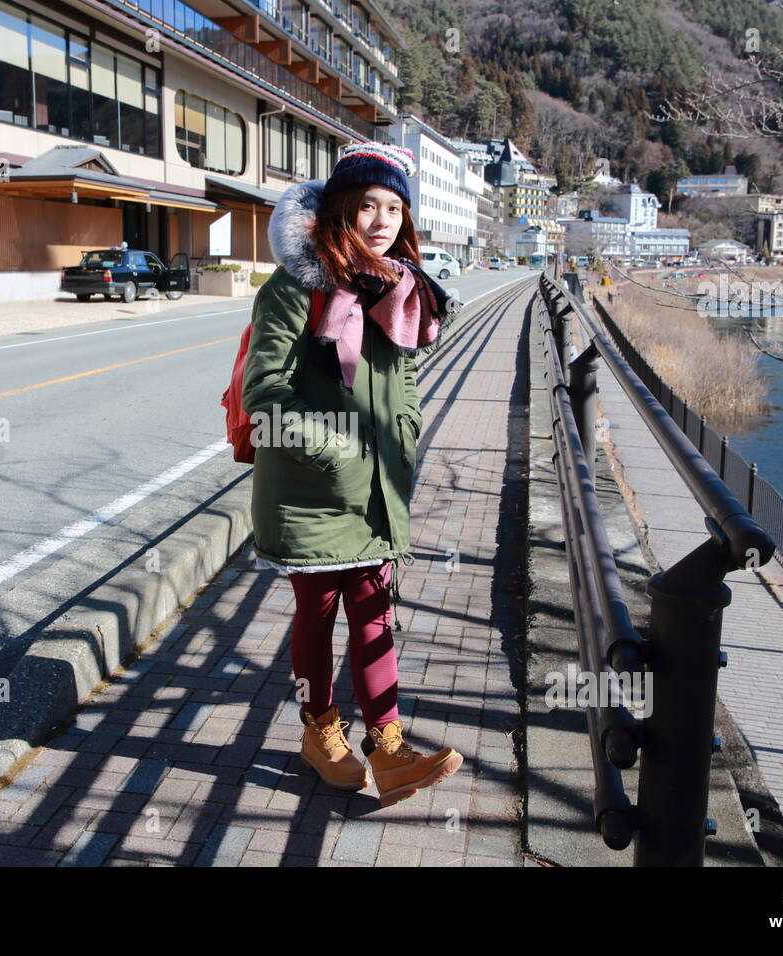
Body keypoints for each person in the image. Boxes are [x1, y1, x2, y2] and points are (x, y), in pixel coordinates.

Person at [241, 142, 464, 808]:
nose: (381, 219)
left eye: (394, 206)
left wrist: (405, 438)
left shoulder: (398, 290)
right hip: (311, 490)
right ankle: (320, 730)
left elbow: (407, 384)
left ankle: (390, 752)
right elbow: (264, 394)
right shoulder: (293, 287)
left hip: (377, 491)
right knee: (318, 614)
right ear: (340, 207)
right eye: (367, 204)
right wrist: (337, 451)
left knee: (373, 615)